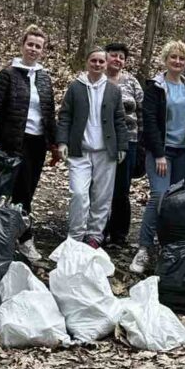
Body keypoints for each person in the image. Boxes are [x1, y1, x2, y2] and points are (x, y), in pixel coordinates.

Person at [0, 25, 60, 263]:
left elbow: (49, 113)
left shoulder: (44, 78)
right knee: (10, 191)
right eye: (30, 44)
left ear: (43, 50)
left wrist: (54, 143)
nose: (33, 49)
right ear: (22, 45)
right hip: (13, 141)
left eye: (38, 46)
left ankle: (20, 235)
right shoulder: (8, 74)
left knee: (27, 190)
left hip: (37, 143)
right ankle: (12, 238)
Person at [131, 41, 185, 274]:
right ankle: (144, 247)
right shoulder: (156, 87)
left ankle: (170, 248)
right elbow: (149, 122)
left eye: (181, 58)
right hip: (161, 152)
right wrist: (158, 154)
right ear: (166, 60)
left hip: (184, 151)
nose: (177, 61)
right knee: (159, 196)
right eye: (173, 57)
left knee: (176, 201)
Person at [56, 49, 128, 248]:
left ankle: (95, 235)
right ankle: (76, 235)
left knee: (102, 197)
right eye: (93, 60)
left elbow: (119, 119)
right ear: (87, 62)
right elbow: (65, 115)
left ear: (106, 64)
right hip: (80, 151)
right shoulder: (75, 87)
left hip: (106, 152)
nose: (97, 64)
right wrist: (62, 142)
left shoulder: (113, 90)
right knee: (79, 193)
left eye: (101, 61)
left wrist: (122, 146)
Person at [104, 42, 144, 246]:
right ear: (105, 56)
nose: (117, 60)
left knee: (121, 189)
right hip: (101, 142)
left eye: (121, 57)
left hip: (129, 141)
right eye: (114, 55)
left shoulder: (132, 82)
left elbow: (141, 111)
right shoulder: (97, 78)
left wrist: (142, 142)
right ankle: (97, 230)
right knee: (99, 187)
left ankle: (119, 233)